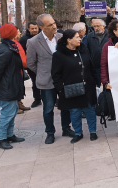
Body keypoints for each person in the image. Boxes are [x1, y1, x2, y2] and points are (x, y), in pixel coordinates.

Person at [27, 14, 75, 144]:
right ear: (41, 27)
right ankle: (50, 132)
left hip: (64, 80)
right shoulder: (33, 42)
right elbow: (30, 63)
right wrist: (42, 73)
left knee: (66, 106)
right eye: (50, 25)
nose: (54, 26)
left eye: (54, 23)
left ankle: (66, 128)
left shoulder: (61, 37)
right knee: (48, 109)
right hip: (46, 82)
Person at [51, 30, 98, 143]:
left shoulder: (84, 51)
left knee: (90, 110)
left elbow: (91, 68)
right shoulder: (58, 55)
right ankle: (78, 133)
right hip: (71, 89)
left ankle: (93, 132)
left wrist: (95, 81)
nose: (79, 39)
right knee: (75, 112)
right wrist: (60, 88)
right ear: (68, 40)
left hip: (87, 87)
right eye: (77, 37)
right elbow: (55, 74)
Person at [0, 24, 26, 149]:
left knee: (13, 112)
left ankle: (9, 134)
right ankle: (1, 138)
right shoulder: (5, 50)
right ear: (11, 34)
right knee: (7, 113)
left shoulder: (9, 46)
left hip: (13, 85)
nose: (18, 32)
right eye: (15, 30)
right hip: (7, 87)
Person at [19, 22, 41, 107]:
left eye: (36, 28)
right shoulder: (24, 39)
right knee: (35, 82)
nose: (34, 30)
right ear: (28, 29)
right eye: (32, 28)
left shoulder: (42, 37)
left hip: (43, 64)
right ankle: (37, 99)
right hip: (31, 65)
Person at [85, 18, 109, 87]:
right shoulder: (90, 36)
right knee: (98, 87)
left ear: (103, 26)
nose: (96, 28)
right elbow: (87, 50)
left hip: (108, 67)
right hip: (95, 67)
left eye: (98, 26)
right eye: (94, 26)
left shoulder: (110, 35)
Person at [14, 28, 30, 114]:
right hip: (17, 69)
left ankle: (19, 103)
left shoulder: (17, 43)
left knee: (20, 87)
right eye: (18, 31)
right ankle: (16, 105)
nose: (20, 33)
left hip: (20, 68)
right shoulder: (14, 44)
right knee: (17, 87)